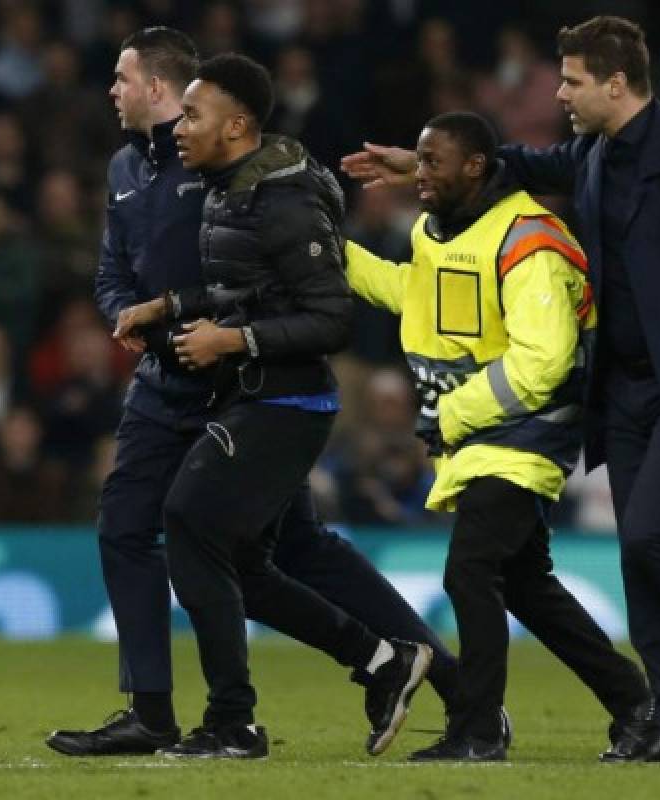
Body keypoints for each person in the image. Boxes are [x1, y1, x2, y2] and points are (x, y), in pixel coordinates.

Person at [343, 16, 660, 763]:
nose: (560, 92)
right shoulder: (596, 155)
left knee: (648, 535)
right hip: (627, 390)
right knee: (634, 556)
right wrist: (420, 162)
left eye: (573, 80)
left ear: (617, 83)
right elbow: (518, 160)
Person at [47, 30, 455, 761]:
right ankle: (156, 710)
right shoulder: (127, 170)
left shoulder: (232, 170)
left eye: (121, 77)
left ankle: (440, 685)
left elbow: (288, 290)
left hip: (246, 387)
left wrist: (224, 335)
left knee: (278, 550)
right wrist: (145, 310)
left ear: (164, 90)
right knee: (136, 530)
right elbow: (127, 268)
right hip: (175, 379)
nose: (110, 89)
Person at [346, 110, 650, 762]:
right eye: (419, 160)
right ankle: (634, 701)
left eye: (433, 162)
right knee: (524, 583)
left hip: (528, 432)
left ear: (477, 167)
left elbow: (543, 362)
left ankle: (478, 730)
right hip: (483, 436)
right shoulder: (441, 231)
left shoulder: (529, 242)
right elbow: (418, 296)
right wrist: (328, 253)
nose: (418, 175)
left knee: (470, 570)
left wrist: (452, 413)